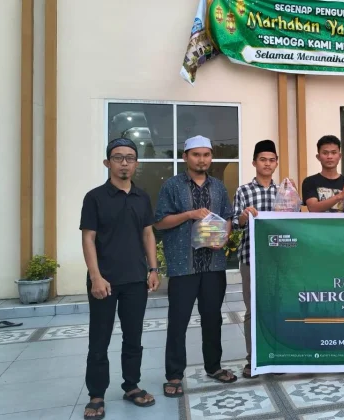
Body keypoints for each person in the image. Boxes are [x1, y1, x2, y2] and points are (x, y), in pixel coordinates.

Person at [80, 137, 159, 419]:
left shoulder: (142, 197)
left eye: (130, 158)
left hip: (136, 279)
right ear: (107, 163)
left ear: (136, 163)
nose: (124, 163)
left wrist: (153, 269)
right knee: (99, 339)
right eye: (118, 157)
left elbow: (148, 234)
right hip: (105, 280)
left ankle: (131, 386)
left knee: (133, 337)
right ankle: (96, 394)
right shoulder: (95, 198)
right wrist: (95, 276)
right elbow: (88, 238)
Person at [155, 135, 237, 398]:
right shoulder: (172, 186)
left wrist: (223, 237)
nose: (202, 160)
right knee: (178, 322)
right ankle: (174, 375)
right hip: (184, 265)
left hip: (213, 264)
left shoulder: (218, 187)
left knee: (212, 319)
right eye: (196, 154)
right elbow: (160, 221)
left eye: (206, 154)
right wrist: (189, 214)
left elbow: (227, 217)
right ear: (185, 157)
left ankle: (213, 367)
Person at [232, 139, 295, 379]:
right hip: (251, 257)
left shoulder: (285, 191)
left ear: (276, 163)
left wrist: (294, 198)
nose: (267, 164)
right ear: (254, 163)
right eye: (262, 160)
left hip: (280, 259)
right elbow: (235, 224)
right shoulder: (243, 191)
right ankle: (253, 360)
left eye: (271, 160)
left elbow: (294, 221)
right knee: (253, 309)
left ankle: (276, 357)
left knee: (278, 307)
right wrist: (244, 216)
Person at [302, 135, 344, 213]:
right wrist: (340, 196)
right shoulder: (310, 181)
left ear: (340, 156)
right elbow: (313, 208)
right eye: (325, 153)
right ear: (318, 157)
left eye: (334, 153)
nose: (329, 157)